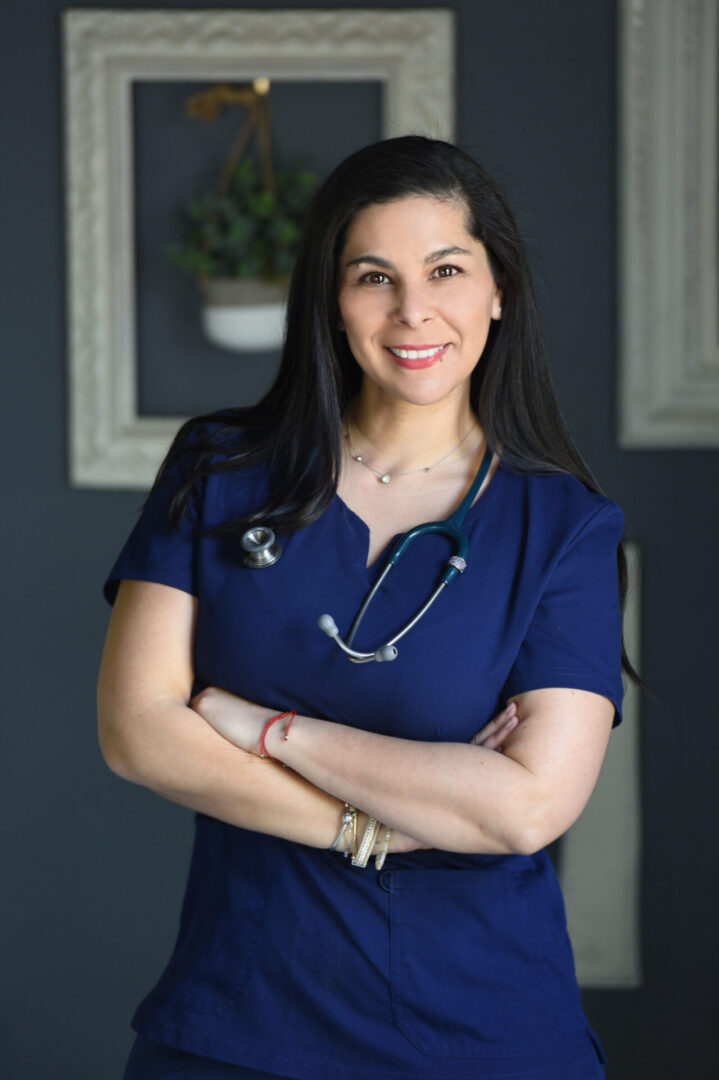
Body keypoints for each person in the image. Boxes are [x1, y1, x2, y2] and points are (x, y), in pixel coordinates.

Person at [97, 135, 639, 1080]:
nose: (412, 310)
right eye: (373, 276)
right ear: (332, 298)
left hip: (481, 1032)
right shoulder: (220, 470)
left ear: (497, 289)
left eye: (445, 270)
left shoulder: (564, 528)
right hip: (236, 1019)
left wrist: (265, 731)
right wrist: (376, 824)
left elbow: (523, 808)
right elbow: (136, 731)